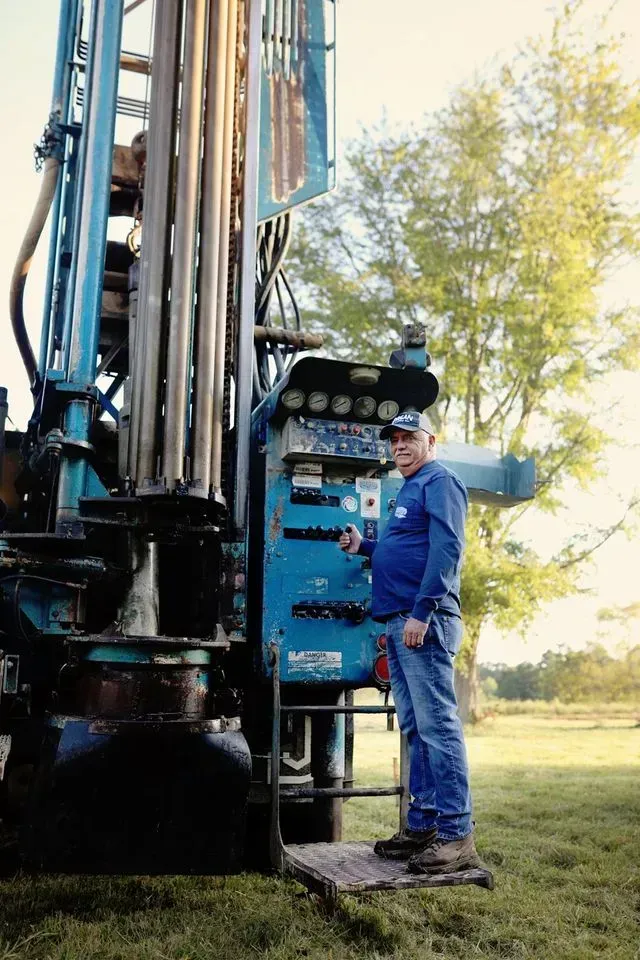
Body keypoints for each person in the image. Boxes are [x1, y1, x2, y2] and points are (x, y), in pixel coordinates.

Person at [338, 411, 480, 875]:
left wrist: (422, 611)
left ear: (430, 441)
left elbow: (446, 550)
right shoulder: (409, 488)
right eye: (395, 440)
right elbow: (405, 551)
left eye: (408, 438)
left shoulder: (441, 481)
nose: (399, 446)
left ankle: (457, 836)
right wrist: (365, 547)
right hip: (399, 623)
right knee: (416, 728)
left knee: (438, 727)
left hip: (423, 621)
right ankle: (422, 826)